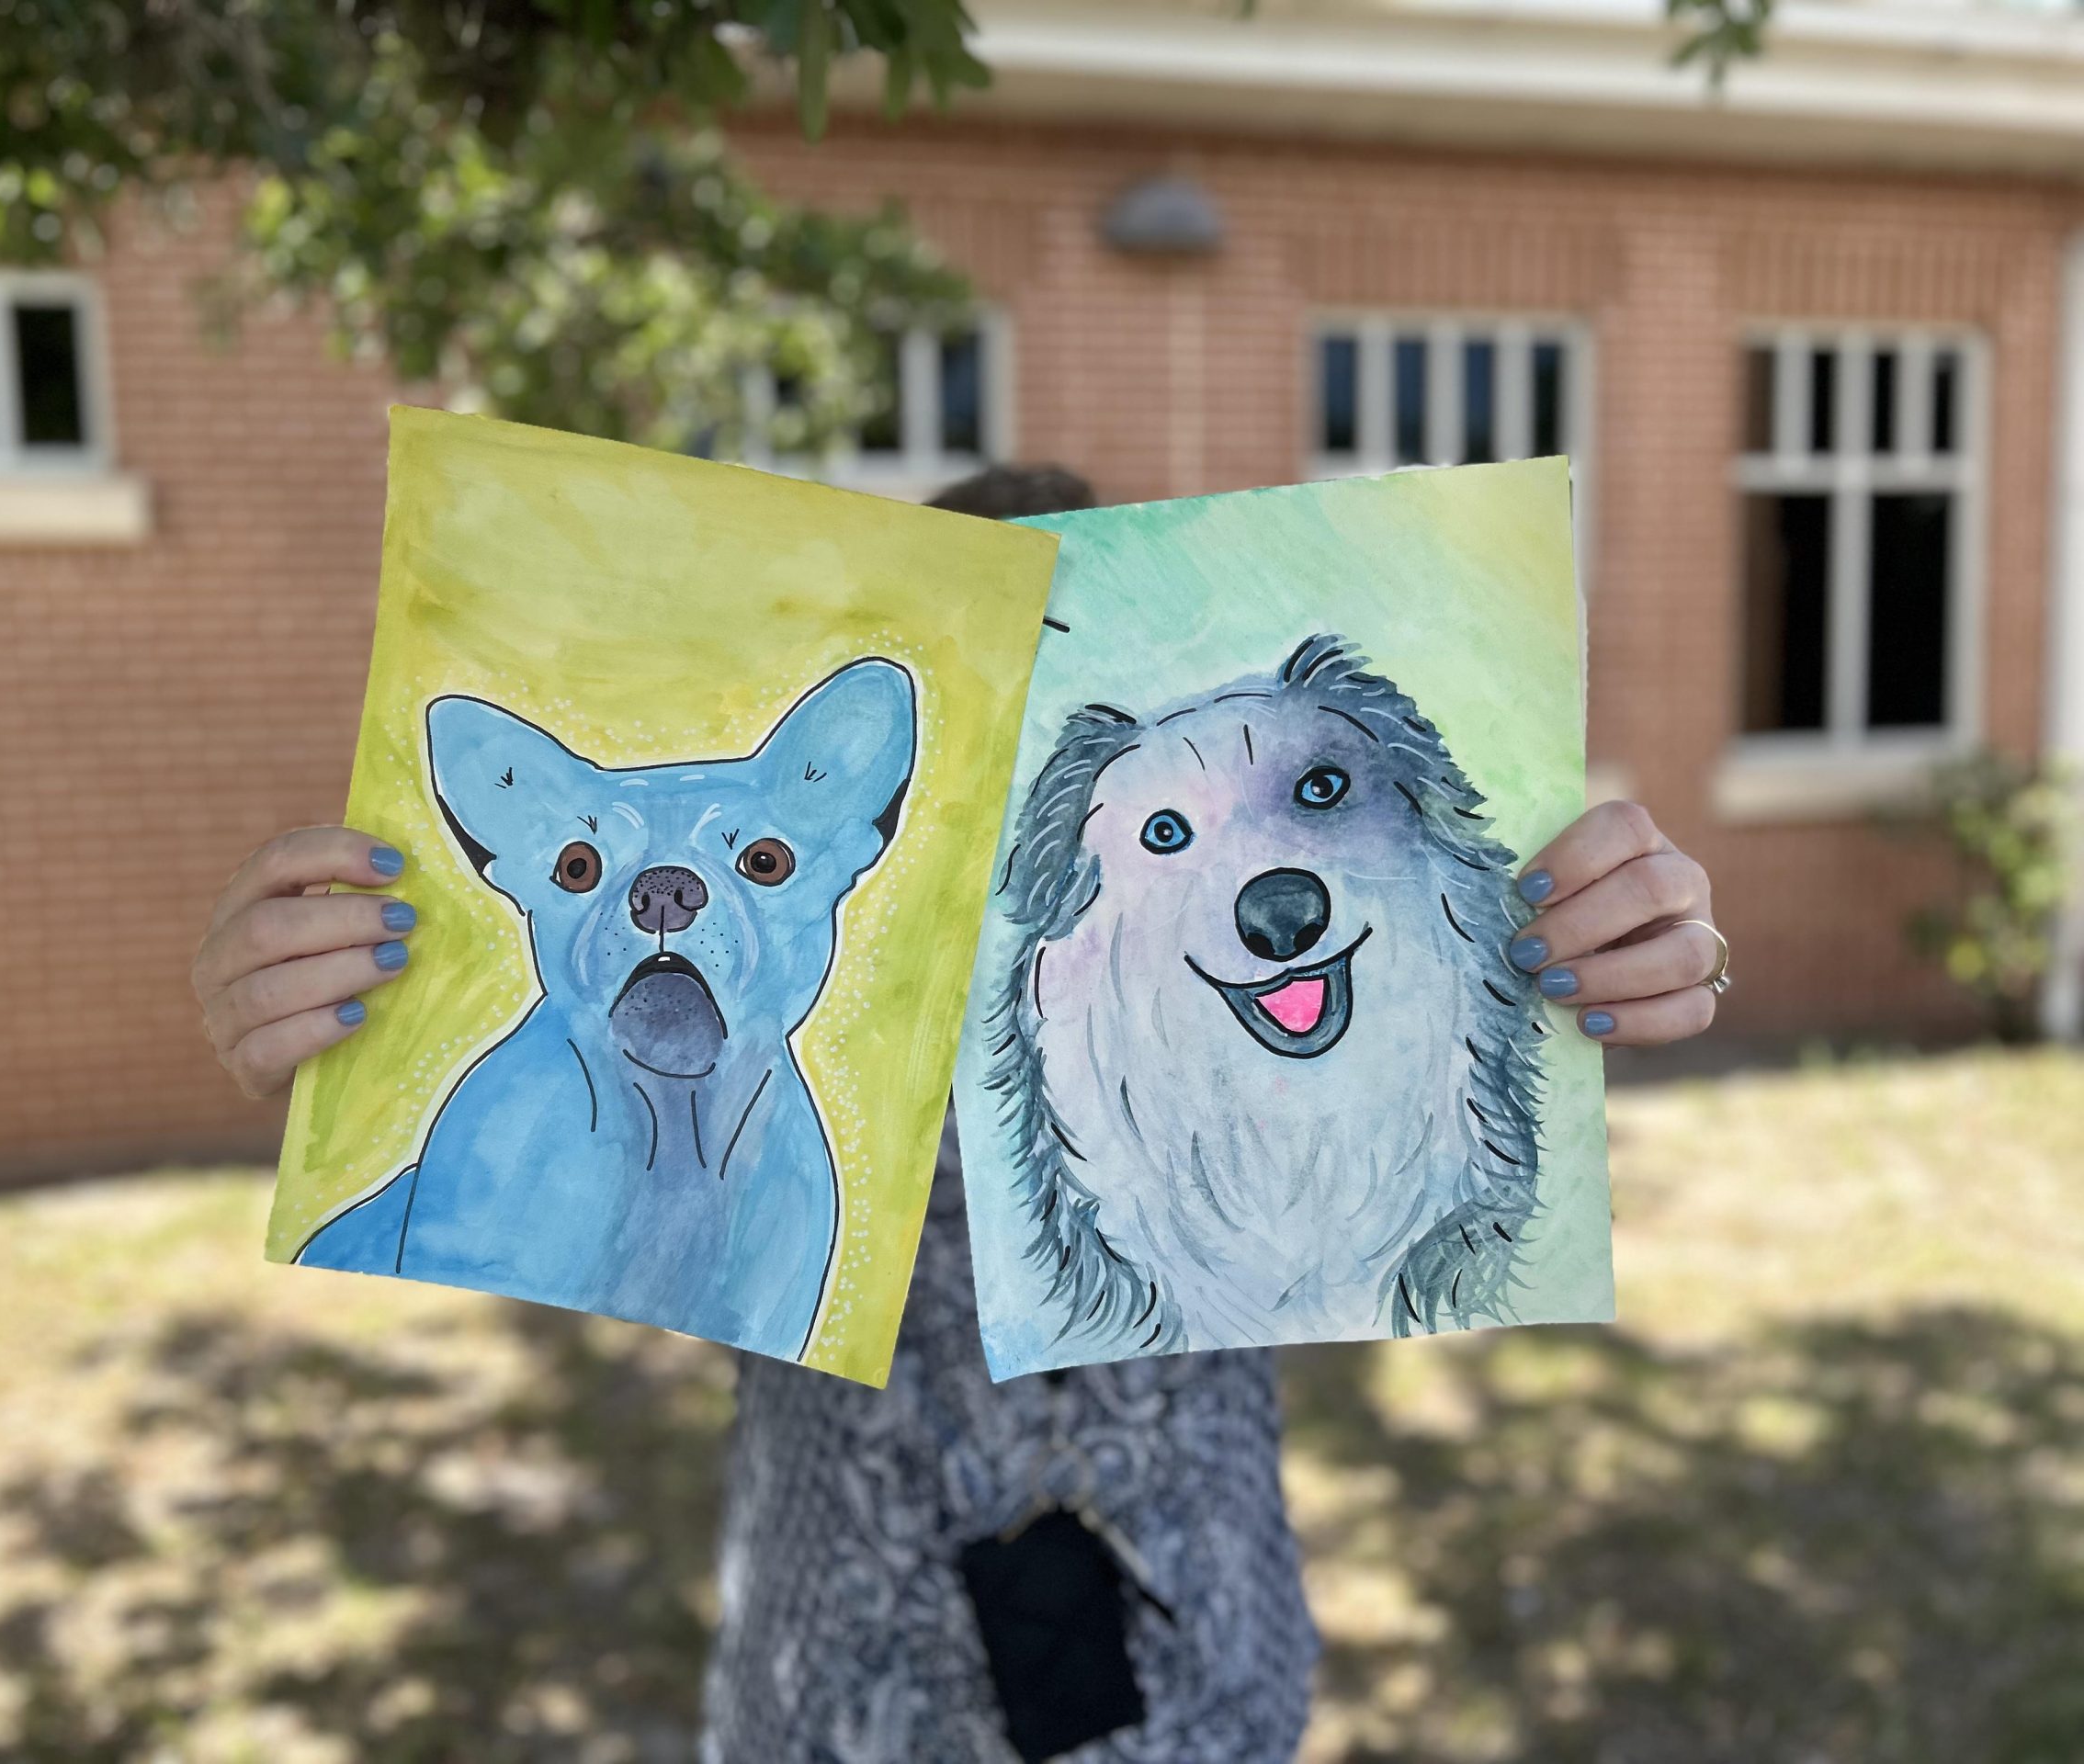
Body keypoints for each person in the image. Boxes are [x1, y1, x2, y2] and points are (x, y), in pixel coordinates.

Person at [191, 463, 1723, 1762]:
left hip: (1192, 1652)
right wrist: (330, 1025)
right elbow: (523, 1116)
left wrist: (1618, 953)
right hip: (835, 1664)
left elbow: (1442, 1029)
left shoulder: (1214, 948)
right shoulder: (787, 975)